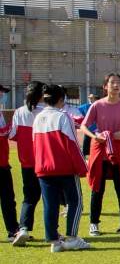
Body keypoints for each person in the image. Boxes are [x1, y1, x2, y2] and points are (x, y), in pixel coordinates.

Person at [81, 73, 120, 235]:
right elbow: (83, 126)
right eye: (112, 82)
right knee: (97, 187)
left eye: (118, 83)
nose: (116, 86)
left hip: (119, 150)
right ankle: (94, 223)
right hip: (101, 149)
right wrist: (95, 136)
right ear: (105, 86)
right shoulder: (97, 105)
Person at [32, 84, 89, 252]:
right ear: (61, 99)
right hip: (64, 168)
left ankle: (54, 241)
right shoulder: (63, 117)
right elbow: (72, 144)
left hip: (43, 168)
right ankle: (71, 237)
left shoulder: (38, 118)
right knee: (75, 201)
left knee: (50, 204)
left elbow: (35, 145)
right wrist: (82, 167)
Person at [10, 82, 45, 246]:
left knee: (29, 197)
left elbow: (13, 135)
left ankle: (23, 228)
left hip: (26, 162)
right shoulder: (45, 112)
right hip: (44, 161)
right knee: (48, 196)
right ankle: (52, 230)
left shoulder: (19, 112)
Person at [0, 84, 17, 241]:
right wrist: (13, 126)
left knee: (8, 198)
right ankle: (12, 230)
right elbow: (3, 132)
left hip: (3, 162)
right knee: (7, 198)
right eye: (1, 92)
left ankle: (13, 230)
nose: (2, 95)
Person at [77, 93, 98, 158]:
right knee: (86, 141)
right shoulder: (86, 106)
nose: (90, 99)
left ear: (96, 98)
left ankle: (98, 154)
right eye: (89, 98)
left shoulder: (100, 105)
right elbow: (77, 110)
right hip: (89, 128)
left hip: (98, 128)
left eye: (92, 98)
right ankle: (84, 155)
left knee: (98, 143)